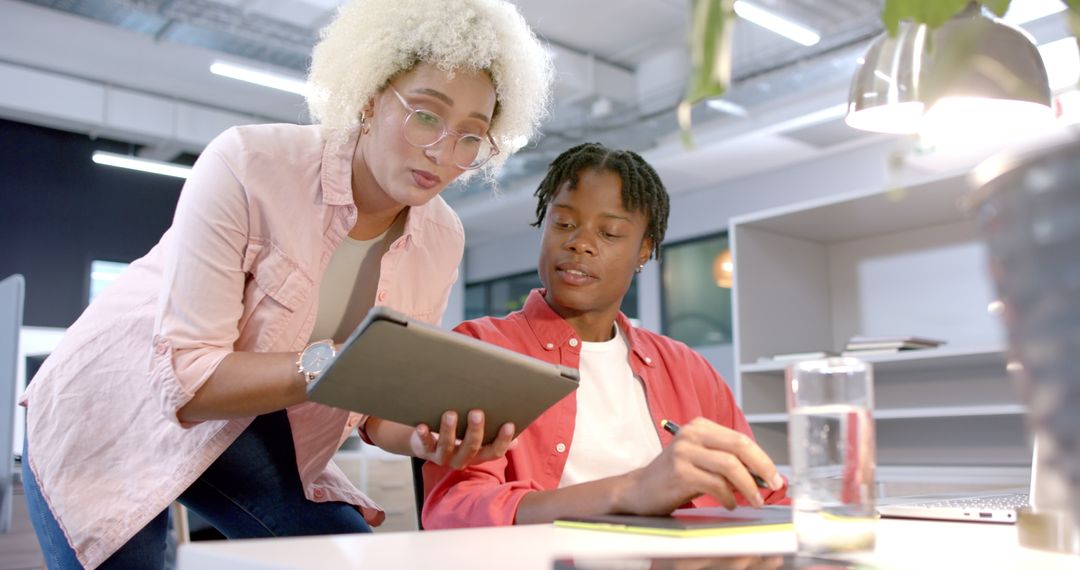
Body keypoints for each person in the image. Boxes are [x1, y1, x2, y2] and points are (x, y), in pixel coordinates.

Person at [18, 0, 552, 567]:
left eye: (471, 136)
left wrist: (422, 438)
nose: (443, 152)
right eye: (425, 115)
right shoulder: (250, 164)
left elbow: (373, 407)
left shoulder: (441, 236)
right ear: (371, 98)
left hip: (247, 425)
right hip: (111, 407)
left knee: (343, 558)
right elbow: (189, 378)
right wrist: (339, 363)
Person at [421, 143, 788, 529]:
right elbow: (455, 509)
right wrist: (629, 492)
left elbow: (766, 494)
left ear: (644, 251)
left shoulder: (688, 369)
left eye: (610, 233)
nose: (579, 243)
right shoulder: (483, 349)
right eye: (563, 224)